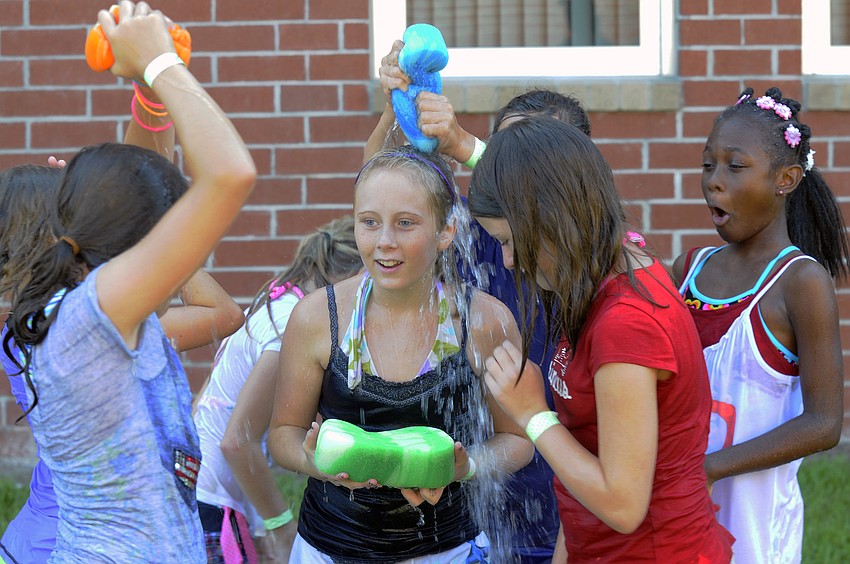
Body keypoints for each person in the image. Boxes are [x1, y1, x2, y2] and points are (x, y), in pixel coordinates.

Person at [6, 1, 256, 560]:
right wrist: (161, 62)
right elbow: (228, 175)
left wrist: (150, 99)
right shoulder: (81, 323)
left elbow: (147, 197)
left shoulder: (77, 309)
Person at [367, 40, 594, 563]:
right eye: (505, 153)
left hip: (566, 507)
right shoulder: (476, 232)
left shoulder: (588, 250)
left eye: (527, 158)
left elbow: (545, 199)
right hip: (476, 501)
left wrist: (464, 143)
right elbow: (384, 192)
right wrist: (399, 109)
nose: (509, 170)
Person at [471, 116, 734, 562]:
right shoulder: (600, 274)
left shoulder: (625, 323)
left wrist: (533, 415)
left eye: (511, 240)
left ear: (553, 219)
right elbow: (581, 456)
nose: (509, 260)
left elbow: (623, 504)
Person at [267, 145, 534, 563]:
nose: (384, 242)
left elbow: (518, 439)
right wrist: (315, 461)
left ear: (446, 231)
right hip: (329, 550)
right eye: (369, 222)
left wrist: (466, 467)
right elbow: (283, 433)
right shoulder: (318, 318)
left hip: (448, 551)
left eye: (405, 223)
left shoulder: (484, 322)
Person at [671, 87, 847, 564]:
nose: (714, 181)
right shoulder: (687, 269)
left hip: (755, 530)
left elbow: (824, 424)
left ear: (785, 179)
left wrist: (710, 468)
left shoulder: (800, 281)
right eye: (708, 164)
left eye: (735, 166)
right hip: (678, 516)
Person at [193, 215, 362, 563]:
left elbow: (204, 403)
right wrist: (279, 524)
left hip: (202, 490)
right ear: (346, 278)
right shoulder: (288, 325)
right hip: (213, 503)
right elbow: (237, 441)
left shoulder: (276, 303)